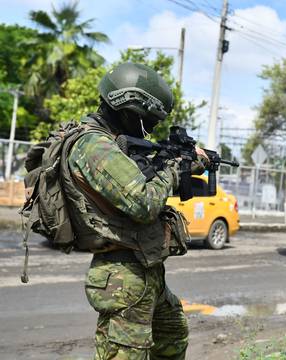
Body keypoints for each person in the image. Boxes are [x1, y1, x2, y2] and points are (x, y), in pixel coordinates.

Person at [64, 62, 204, 359]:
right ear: (129, 109)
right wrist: (176, 171)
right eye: (148, 120)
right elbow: (143, 202)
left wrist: (185, 166)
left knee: (172, 334)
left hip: (144, 267)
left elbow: (142, 188)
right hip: (122, 276)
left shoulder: (116, 146)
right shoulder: (94, 146)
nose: (149, 129)